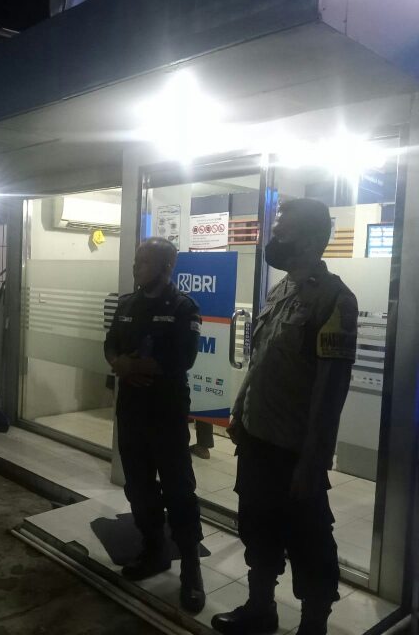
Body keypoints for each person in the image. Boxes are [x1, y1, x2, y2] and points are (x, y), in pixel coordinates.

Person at [211, 199, 358, 635]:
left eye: (281, 232)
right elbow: (261, 362)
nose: (272, 240)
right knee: (257, 529)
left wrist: (313, 461)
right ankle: (261, 610)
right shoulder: (280, 289)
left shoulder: (335, 299)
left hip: (295, 450)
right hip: (258, 438)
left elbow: (331, 390)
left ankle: (313, 626)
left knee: (310, 542)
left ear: (309, 241)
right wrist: (239, 412)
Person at [104, 237, 205, 612]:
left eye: (144, 261)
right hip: (131, 411)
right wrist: (118, 363)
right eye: (136, 260)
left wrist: (137, 366)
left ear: (166, 267)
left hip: (166, 413)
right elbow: (110, 344)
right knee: (139, 487)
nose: (136, 266)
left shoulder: (183, 307)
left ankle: (191, 569)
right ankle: (153, 550)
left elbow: (184, 358)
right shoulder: (126, 304)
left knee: (179, 490)